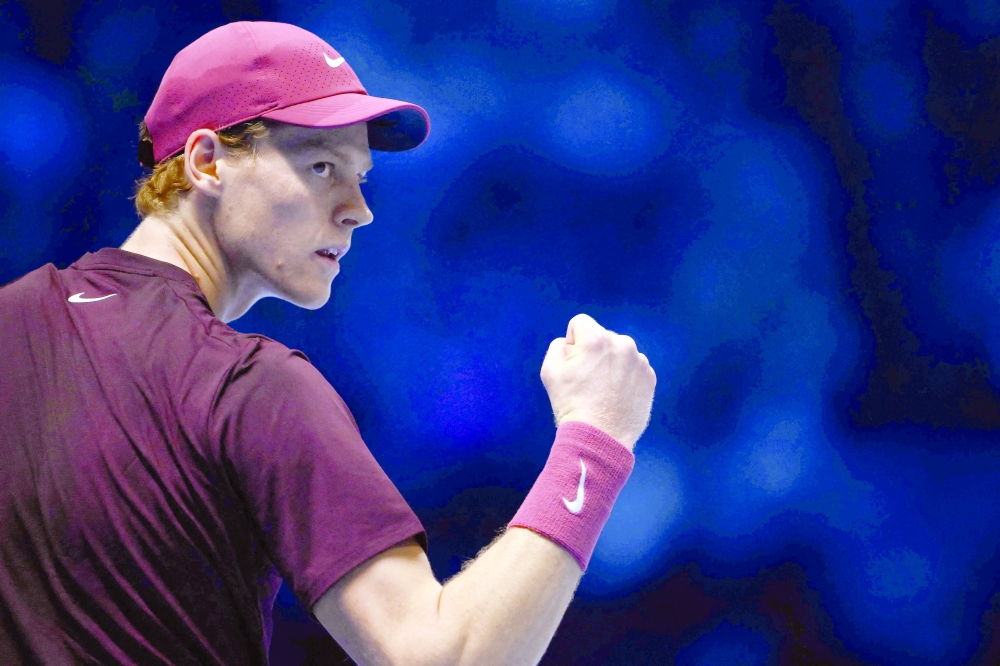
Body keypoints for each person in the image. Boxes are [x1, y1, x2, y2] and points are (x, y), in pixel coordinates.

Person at [0, 21, 656, 665]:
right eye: (321, 167)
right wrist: (595, 439)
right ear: (206, 163)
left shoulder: (13, 317)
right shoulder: (251, 390)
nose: (357, 209)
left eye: (360, 177)